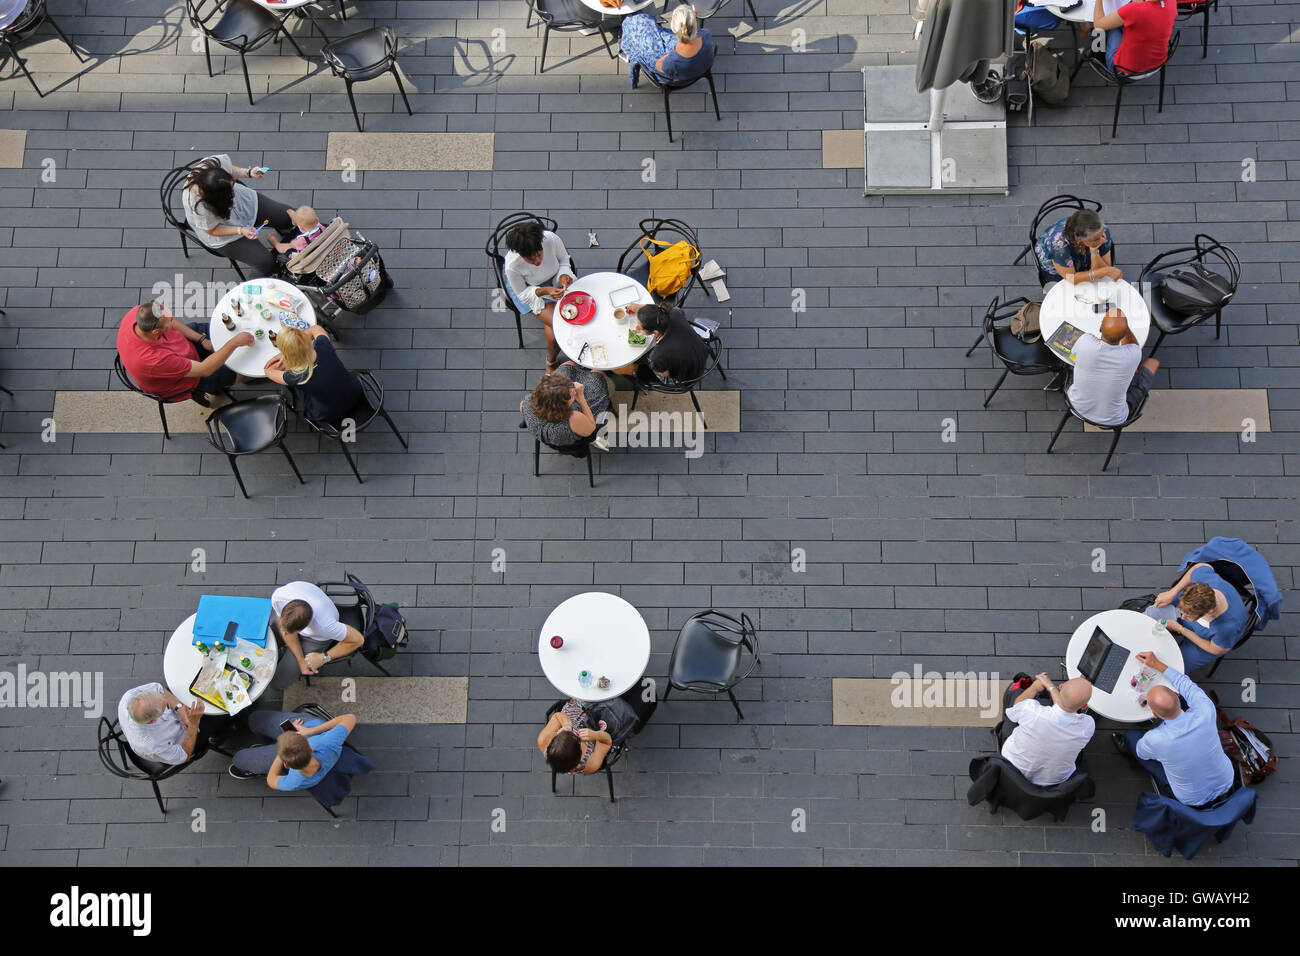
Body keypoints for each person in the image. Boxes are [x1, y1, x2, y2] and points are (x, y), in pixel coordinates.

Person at [1113, 651, 1236, 808]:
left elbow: (1142, 753)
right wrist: (1159, 665)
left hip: (1190, 800)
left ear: (1155, 714)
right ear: (1177, 696)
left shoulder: (1156, 739)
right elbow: (1186, 684)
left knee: (1132, 738)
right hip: (1226, 781)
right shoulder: (1206, 710)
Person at [116, 300, 253, 406]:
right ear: (156, 332)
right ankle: (245, 376)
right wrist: (234, 343)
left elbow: (173, 323)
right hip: (185, 379)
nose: (172, 320)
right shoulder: (154, 360)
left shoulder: (141, 314)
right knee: (237, 366)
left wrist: (201, 339)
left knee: (219, 329)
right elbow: (204, 370)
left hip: (182, 347)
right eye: (169, 321)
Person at [183, 155, 296, 274]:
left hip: (245, 204)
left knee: (288, 217)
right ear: (218, 197)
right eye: (230, 190)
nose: (234, 190)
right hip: (224, 231)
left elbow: (230, 170)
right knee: (265, 263)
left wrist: (248, 173)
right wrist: (240, 230)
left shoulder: (211, 164)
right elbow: (211, 230)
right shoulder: (200, 208)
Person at [502, 219, 576, 372]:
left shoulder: (551, 239)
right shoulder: (512, 267)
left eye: (538, 255)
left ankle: (551, 361)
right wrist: (545, 291)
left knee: (554, 335)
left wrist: (563, 275)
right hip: (531, 291)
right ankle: (554, 360)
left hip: (554, 278)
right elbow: (522, 294)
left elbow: (564, 259)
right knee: (564, 324)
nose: (537, 261)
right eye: (530, 259)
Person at [996, 672, 1095, 786]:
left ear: (1061, 687)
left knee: (1016, 695)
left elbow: (1017, 706)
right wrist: (1051, 687)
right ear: (1084, 706)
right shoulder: (1088, 725)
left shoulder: (1032, 711)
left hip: (1012, 768)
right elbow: (1064, 708)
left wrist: (1034, 688)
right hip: (1053, 782)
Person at [1066, 308, 1158, 426]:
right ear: (1124, 334)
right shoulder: (1133, 354)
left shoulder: (1085, 342)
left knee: (1071, 365)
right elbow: (1133, 345)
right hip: (1113, 420)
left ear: (1100, 329)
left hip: (1076, 407)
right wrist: (1124, 327)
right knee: (1152, 362)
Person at [1150, 563, 1250, 672]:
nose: (1182, 617)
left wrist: (1181, 629)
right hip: (1191, 615)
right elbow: (1199, 567)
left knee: (1175, 667)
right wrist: (1172, 592)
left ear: (1209, 611)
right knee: (1154, 612)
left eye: (1187, 616)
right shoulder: (1208, 582)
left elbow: (1215, 649)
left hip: (1207, 641)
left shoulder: (1227, 627)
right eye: (1182, 612)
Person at [228, 710, 358, 790]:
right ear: (310, 749)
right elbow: (350, 718)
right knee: (255, 719)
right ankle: (268, 748)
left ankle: (268, 746)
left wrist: (280, 753)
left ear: (286, 764)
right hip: (307, 730)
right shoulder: (328, 742)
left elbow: (271, 779)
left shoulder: (295, 781)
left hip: (291, 741)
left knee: (238, 758)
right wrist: (311, 731)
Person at [269, 581, 365, 688]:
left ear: (305, 627)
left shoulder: (325, 626)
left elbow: (358, 640)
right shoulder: (279, 597)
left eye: (290, 632)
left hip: (316, 638)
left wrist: (324, 658)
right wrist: (300, 659)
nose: (284, 633)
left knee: (278, 682)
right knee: (265, 640)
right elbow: (285, 630)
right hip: (299, 618)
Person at [262, 325, 364, 425]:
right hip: (354, 390)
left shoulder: (294, 376)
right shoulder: (323, 346)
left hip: (330, 413)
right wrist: (296, 343)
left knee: (297, 388)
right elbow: (316, 328)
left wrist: (285, 354)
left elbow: (268, 371)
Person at [117, 683, 223, 766]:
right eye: (165, 706)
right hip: (184, 744)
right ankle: (218, 736)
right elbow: (184, 755)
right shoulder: (153, 745)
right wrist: (193, 725)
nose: (165, 699)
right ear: (153, 721)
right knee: (218, 716)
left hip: (180, 721)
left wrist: (180, 708)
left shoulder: (129, 696)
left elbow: (161, 690)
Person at [619, 4, 716, 90]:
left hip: (674, 79)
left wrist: (671, 53)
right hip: (699, 69)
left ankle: (633, 43)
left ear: (674, 28)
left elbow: (658, 65)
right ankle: (651, 29)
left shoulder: (671, 62)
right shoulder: (705, 34)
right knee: (652, 31)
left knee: (637, 26)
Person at [519, 362, 612, 450]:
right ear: (562, 406)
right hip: (580, 430)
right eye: (571, 394)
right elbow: (591, 428)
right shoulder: (573, 418)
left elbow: (522, 408)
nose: (574, 390)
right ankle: (599, 441)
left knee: (568, 365)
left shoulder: (526, 403)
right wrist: (580, 396)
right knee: (598, 374)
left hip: (547, 424)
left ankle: (583, 373)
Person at [1034, 208, 1119, 288]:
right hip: (1057, 262)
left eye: (1102, 233)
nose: (1103, 239)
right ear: (1080, 240)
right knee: (1071, 290)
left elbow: (1106, 266)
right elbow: (1071, 278)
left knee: (1096, 281)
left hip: (1081, 250)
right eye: (1097, 239)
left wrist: (1094, 251)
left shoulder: (1100, 231)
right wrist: (1103, 271)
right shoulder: (1058, 246)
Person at [632, 302, 710, 385]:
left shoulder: (657, 356)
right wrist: (641, 308)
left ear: (655, 332)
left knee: (644, 359)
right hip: (702, 353)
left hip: (687, 378)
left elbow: (665, 374)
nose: (636, 328)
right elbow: (663, 311)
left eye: (640, 328)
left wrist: (653, 364)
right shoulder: (674, 313)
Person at [1092, 0, 1177, 74]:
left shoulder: (1135, 10)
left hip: (1124, 71)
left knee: (1109, 25)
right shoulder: (1172, 2)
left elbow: (1098, 25)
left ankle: (1096, 49)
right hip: (1157, 65)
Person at [537, 699, 612, 776]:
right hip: (599, 717)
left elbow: (557, 716)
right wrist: (595, 735)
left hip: (576, 707)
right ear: (579, 754)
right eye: (578, 738)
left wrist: (567, 725)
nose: (575, 732)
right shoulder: (591, 764)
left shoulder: (544, 740)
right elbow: (607, 741)